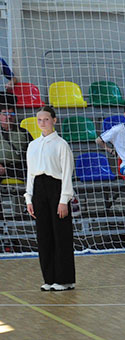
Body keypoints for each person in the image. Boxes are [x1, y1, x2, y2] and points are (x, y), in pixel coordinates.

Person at [25, 106, 75, 291]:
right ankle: (49, 278)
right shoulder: (33, 145)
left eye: (46, 119)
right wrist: (29, 198)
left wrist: (64, 200)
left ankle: (65, 279)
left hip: (57, 188)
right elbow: (30, 173)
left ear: (54, 120)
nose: (42, 123)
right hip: (39, 190)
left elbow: (67, 173)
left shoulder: (61, 144)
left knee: (60, 235)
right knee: (44, 235)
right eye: (39, 120)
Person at [0, 92, 28, 181]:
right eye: (5, 114)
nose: (8, 117)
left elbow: (34, 149)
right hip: (2, 167)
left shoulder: (23, 132)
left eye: (11, 114)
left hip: (20, 167)